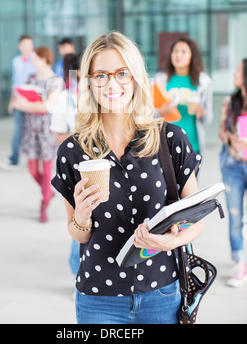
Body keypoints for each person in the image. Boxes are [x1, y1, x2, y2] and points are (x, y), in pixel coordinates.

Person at [52, 32, 204, 324]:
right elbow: (77, 232)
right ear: (89, 82)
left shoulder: (169, 138)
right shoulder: (72, 150)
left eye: (122, 73)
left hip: (161, 293)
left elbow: (195, 222)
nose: (112, 84)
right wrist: (82, 216)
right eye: (101, 75)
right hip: (98, 298)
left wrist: (171, 243)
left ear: (135, 77)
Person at [12, 46, 64, 223]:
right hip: (31, 128)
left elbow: (48, 107)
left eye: (35, 58)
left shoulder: (56, 81)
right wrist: (25, 104)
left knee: (47, 170)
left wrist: (25, 106)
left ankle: (44, 205)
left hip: (47, 130)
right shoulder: (31, 78)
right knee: (33, 170)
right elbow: (18, 99)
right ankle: (48, 192)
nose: (32, 61)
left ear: (43, 58)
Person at [219, 58, 247, 287]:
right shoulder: (231, 101)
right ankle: (239, 263)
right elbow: (222, 132)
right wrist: (232, 140)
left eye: (238, 70)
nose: (234, 73)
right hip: (232, 166)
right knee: (235, 216)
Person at [51, 53, 81, 282]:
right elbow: (59, 135)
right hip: (77, 168)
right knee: (79, 219)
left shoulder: (109, 97)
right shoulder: (65, 99)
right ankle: (78, 274)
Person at [155, 36, 213, 154]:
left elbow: (208, 119)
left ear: (192, 56)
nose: (178, 55)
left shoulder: (204, 82)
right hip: (164, 144)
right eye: (175, 51)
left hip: (191, 145)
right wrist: (160, 112)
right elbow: (147, 113)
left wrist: (202, 113)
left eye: (183, 51)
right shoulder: (160, 79)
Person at [0, 35, 36, 171]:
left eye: (30, 45)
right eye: (25, 45)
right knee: (18, 130)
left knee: (35, 130)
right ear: (19, 46)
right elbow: (16, 83)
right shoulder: (16, 61)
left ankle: (39, 159)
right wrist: (11, 100)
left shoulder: (36, 60)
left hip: (33, 101)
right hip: (19, 101)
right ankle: (14, 159)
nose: (28, 47)